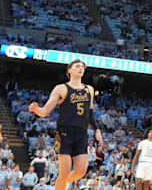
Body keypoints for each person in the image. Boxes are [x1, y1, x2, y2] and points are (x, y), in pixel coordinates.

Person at [28, 59, 103, 190]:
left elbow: (90, 113)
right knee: (65, 171)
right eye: (77, 66)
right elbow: (45, 111)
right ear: (69, 70)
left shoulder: (89, 89)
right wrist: (36, 109)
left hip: (82, 133)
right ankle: (60, 183)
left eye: (82, 67)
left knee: (80, 171)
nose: (80, 68)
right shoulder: (61, 88)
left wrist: (97, 129)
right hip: (64, 133)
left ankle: (59, 184)